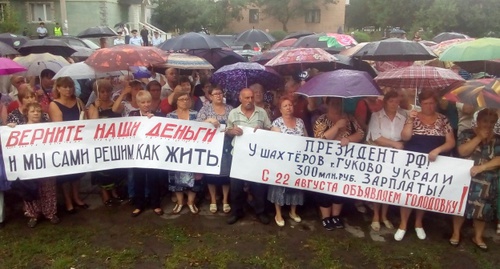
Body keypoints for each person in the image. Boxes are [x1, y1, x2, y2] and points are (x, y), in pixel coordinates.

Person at [397, 90, 455, 241]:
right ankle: (403, 224)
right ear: (420, 103)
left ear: (435, 103)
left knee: (424, 192)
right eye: (425, 103)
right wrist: (410, 120)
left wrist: (438, 149)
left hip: (433, 160)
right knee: (408, 191)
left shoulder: (443, 119)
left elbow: (451, 142)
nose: (428, 106)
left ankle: (418, 223)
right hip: (412, 161)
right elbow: (405, 137)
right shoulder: (413, 116)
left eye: (431, 103)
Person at [449, 108, 500, 251]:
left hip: (487, 180)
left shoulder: (498, 139)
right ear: (478, 121)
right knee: (461, 206)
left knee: (482, 209)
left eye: (491, 122)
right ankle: (456, 232)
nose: (488, 124)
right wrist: (478, 138)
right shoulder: (467, 134)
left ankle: (478, 236)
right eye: (485, 121)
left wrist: (482, 168)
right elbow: (462, 151)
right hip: (466, 178)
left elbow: (498, 159)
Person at [313, 97, 364, 230]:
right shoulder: (321, 119)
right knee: (324, 188)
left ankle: (336, 216)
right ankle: (326, 217)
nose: (336, 106)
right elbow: (320, 138)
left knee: (339, 187)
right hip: (326, 161)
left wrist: (348, 138)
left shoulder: (350, 118)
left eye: (339, 103)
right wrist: (337, 127)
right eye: (334, 103)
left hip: (344, 162)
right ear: (327, 104)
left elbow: (360, 133)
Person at [225, 88, 272, 225]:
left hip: (256, 156)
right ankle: (236, 212)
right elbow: (227, 130)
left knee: (258, 186)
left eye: (251, 97)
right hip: (238, 155)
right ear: (240, 98)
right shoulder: (233, 113)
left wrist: (263, 131)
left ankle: (260, 212)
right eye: (246, 98)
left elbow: (270, 129)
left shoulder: (261, 112)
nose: (250, 100)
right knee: (236, 187)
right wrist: (231, 131)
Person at [9, 102, 59, 227]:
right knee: (30, 189)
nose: (36, 113)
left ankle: (50, 213)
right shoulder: (19, 129)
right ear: (27, 113)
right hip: (28, 165)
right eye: (32, 111)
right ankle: (33, 214)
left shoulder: (48, 128)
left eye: (38, 111)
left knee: (48, 189)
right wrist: (9, 128)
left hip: (46, 164)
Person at [366, 90, 406, 231]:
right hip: (380, 156)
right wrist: (395, 144)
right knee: (378, 186)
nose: (395, 104)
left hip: (396, 158)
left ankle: (384, 216)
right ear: (385, 102)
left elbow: (405, 137)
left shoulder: (402, 117)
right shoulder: (376, 116)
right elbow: (376, 137)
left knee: (389, 186)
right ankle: (376, 216)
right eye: (391, 101)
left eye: (397, 101)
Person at [48, 77, 88, 214]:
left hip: (79, 142)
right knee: (66, 175)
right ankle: (68, 201)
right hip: (63, 144)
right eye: (64, 87)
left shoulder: (78, 101)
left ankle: (76, 197)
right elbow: (58, 126)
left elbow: (86, 118)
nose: (68, 89)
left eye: (70, 87)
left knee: (77, 172)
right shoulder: (54, 104)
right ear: (58, 88)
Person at [269, 97, 307, 226]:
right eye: (285, 106)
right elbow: (271, 143)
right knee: (280, 186)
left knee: (295, 186)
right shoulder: (276, 123)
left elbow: (307, 139)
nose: (288, 107)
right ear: (280, 109)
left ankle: (293, 211)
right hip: (282, 162)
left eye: (290, 105)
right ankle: (278, 213)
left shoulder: (300, 122)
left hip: (297, 161)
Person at [197, 86, 233, 214]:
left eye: (220, 93)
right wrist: (209, 120)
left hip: (227, 145)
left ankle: (225, 200)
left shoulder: (230, 109)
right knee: (211, 174)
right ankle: (213, 199)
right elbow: (197, 125)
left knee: (226, 173)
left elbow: (235, 124)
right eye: (215, 93)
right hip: (211, 146)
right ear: (210, 96)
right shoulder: (205, 109)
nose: (218, 95)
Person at [88, 79, 124, 206]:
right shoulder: (92, 105)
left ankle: (114, 191)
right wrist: (97, 108)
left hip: (114, 142)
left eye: (107, 91)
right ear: (97, 92)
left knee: (113, 168)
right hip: (100, 143)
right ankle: (104, 193)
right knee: (102, 170)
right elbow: (92, 123)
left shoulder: (116, 104)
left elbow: (117, 111)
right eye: (102, 91)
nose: (105, 94)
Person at [129, 90, 165, 217]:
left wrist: (153, 120)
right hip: (137, 153)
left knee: (153, 179)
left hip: (152, 152)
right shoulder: (132, 115)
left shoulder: (158, 115)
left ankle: (155, 204)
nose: (146, 104)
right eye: (143, 102)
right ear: (138, 103)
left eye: (148, 101)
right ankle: (139, 205)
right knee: (138, 179)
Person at [167, 91, 203, 214]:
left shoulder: (196, 115)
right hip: (176, 152)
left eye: (187, 99)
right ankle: (180, 201)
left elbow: (203, 130)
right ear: (176, 101)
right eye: (181, 99)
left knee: (195, 175)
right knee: (175, 176)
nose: (185, 101)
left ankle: (191, 202)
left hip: (193, 151)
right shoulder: (170, 116)